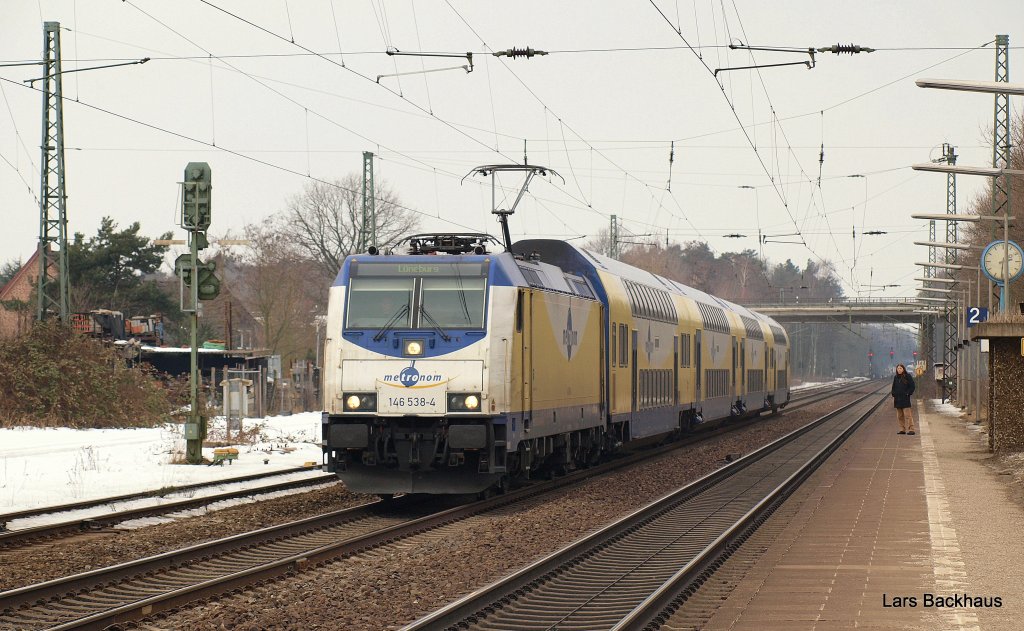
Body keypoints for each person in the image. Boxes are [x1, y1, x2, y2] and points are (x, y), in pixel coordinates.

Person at [891, 363, 916, 435]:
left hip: (905, 399)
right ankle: (902, 429)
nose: (899, 370)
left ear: (903, 369)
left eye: (900, 368)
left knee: (908, 415)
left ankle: (911, 429)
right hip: (897, 400)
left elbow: (912, 386)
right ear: (896, 369)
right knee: (900, 416)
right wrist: (893, 393)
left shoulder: (907, 376)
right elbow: (893, 387)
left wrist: (908, 393)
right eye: (898, 368)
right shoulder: (895, 377)